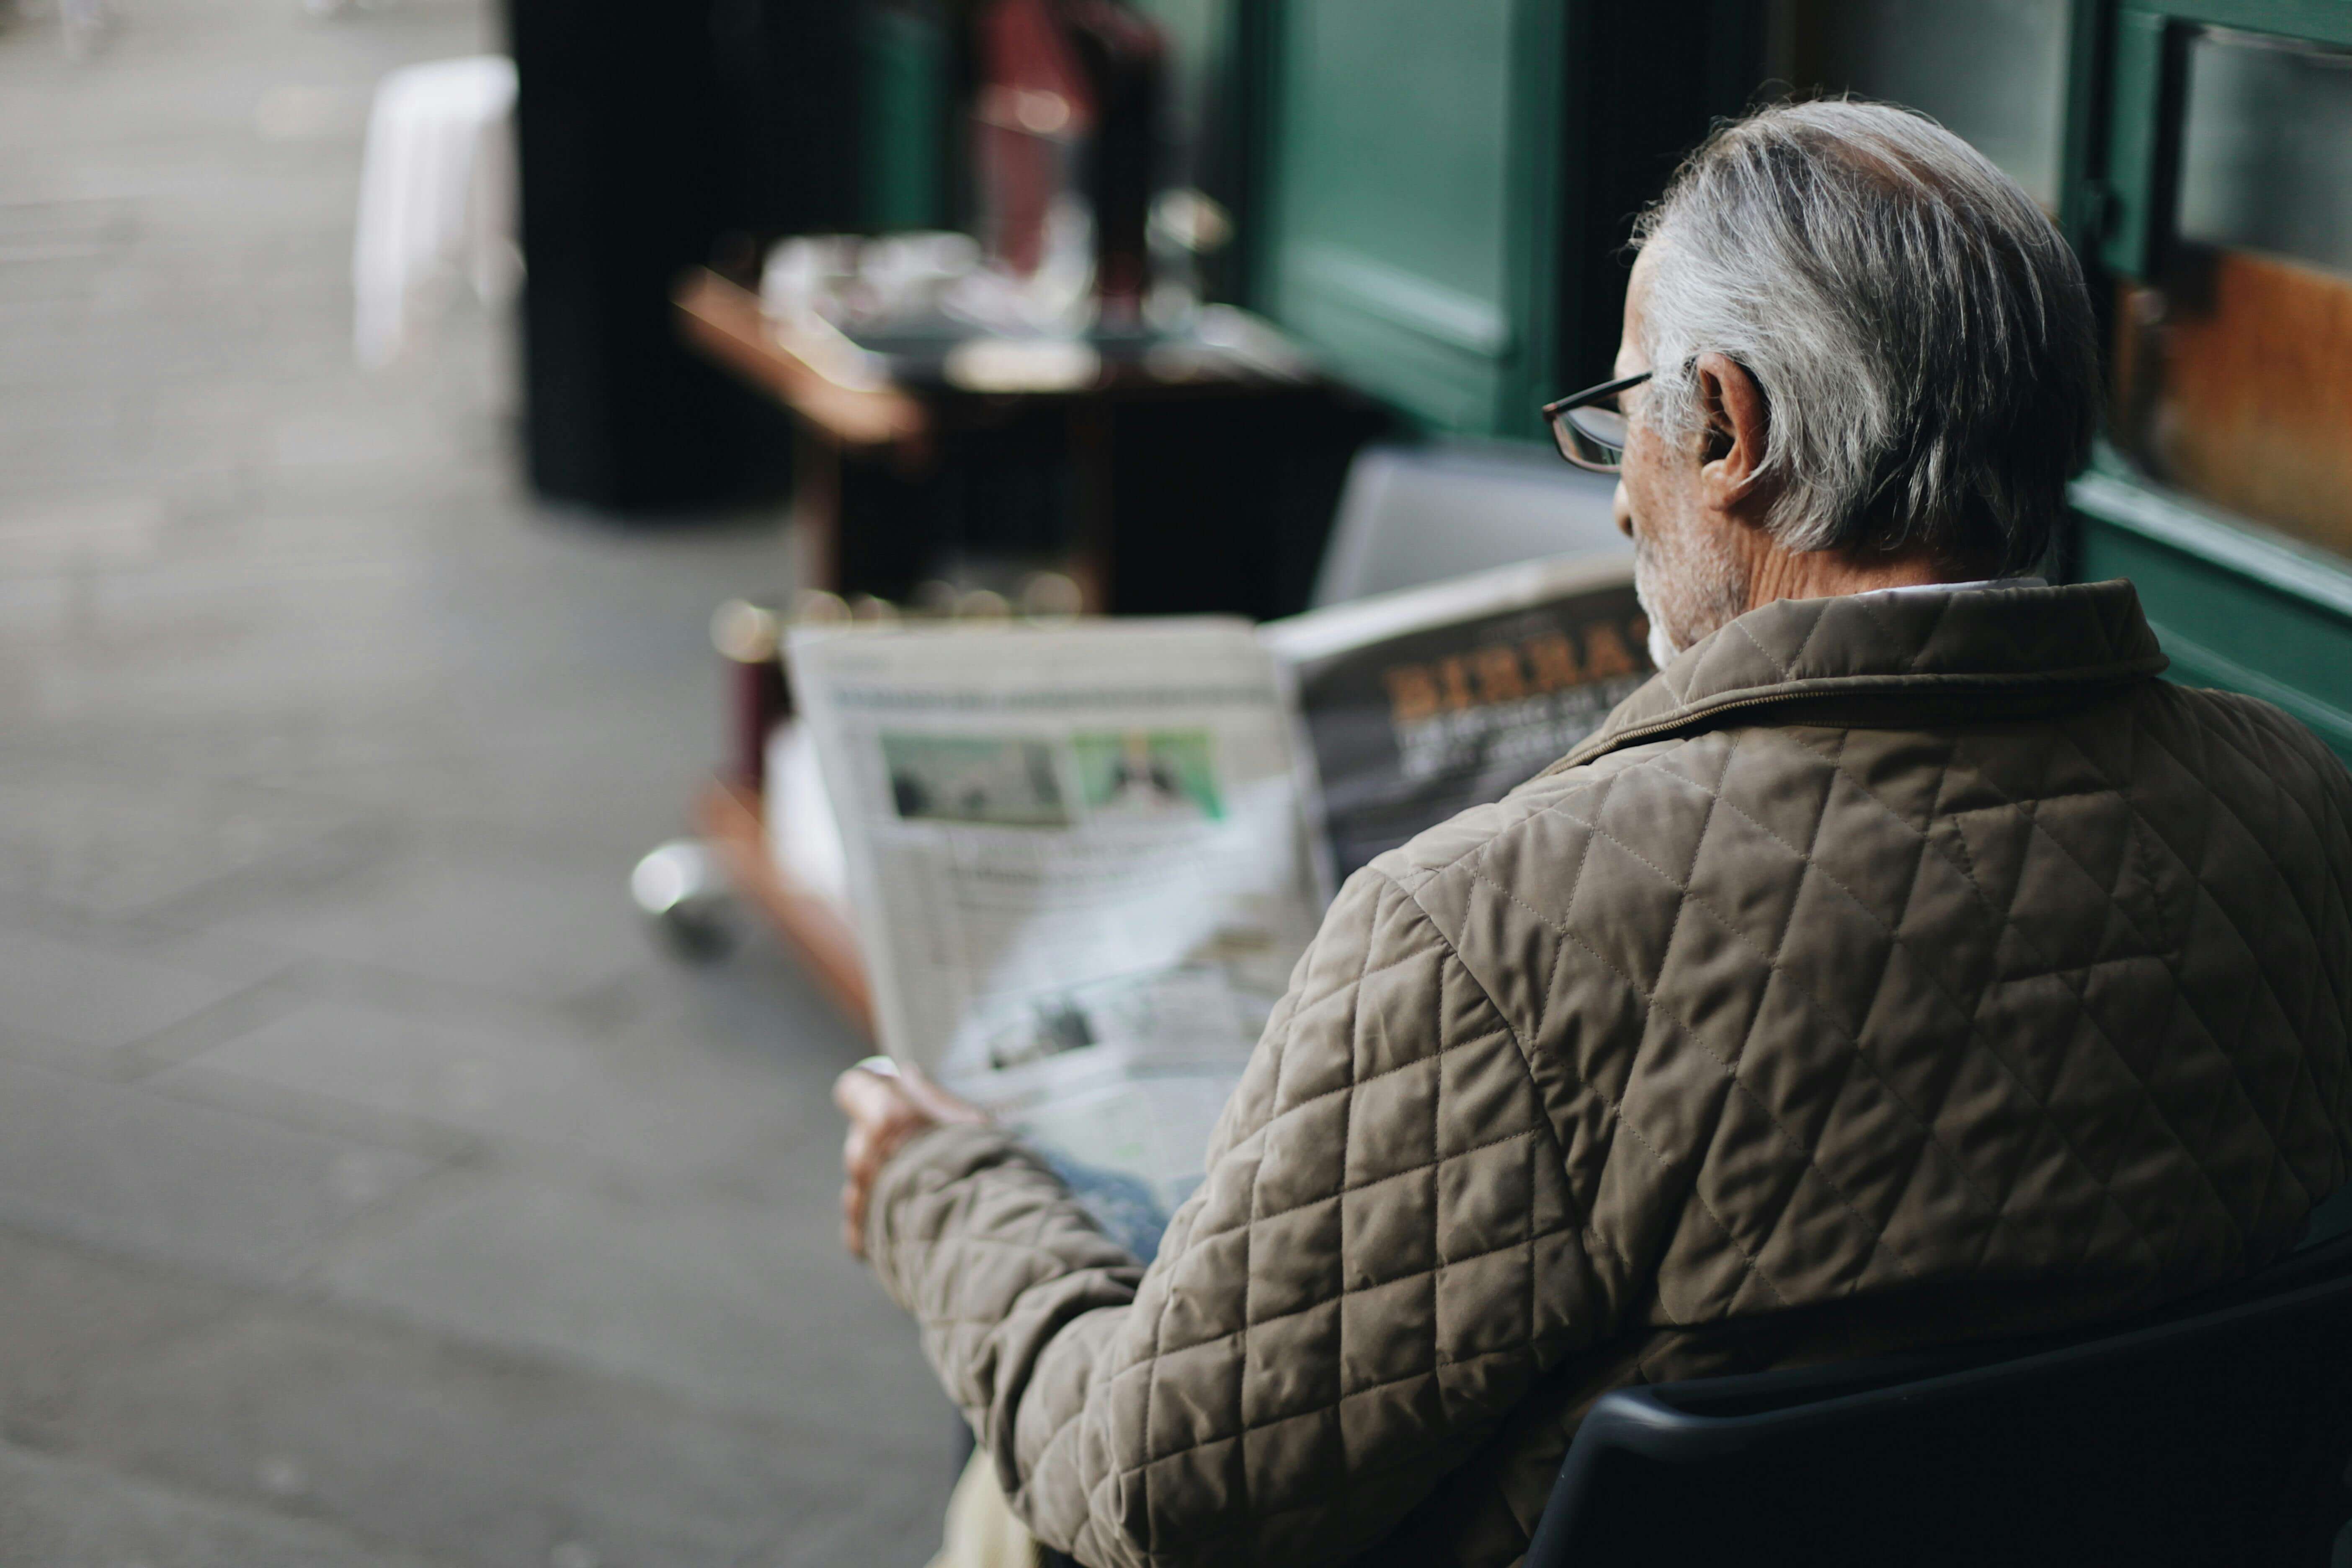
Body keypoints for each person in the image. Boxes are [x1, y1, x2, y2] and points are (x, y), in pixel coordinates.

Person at [832, 100, 2352, 1568]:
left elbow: (1158, 1502)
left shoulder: (1494, 931)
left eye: (1626, 409)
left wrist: (940, 1192)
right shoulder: (2299, 804)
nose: (1621, 503)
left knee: (1023, 1485)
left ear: (1729, 425)